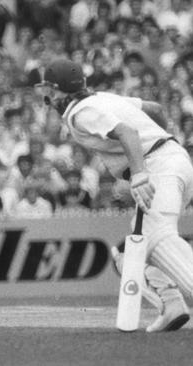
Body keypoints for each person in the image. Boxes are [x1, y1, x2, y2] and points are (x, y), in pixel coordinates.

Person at [37, 58, 193, 332]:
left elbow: (127, 132)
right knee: (132, 250)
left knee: (157, 236)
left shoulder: (81, 111)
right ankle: (171, 304)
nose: (46, 94)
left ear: (61, 89)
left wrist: (140, 173)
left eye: (50, 88)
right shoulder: (103, 98)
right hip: (172, 160)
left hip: (159, 165)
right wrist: (165, 145)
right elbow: (155, 109)